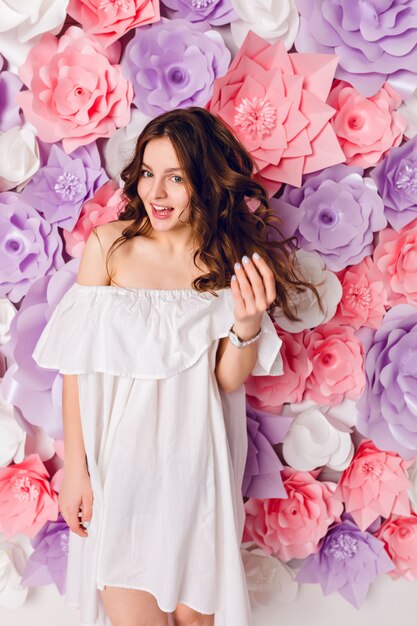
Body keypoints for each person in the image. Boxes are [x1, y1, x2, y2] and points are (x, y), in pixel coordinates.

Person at [32, 106, 319, 626]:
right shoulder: (110, 247)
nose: (156, 193)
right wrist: (77, 470)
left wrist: (248, 323)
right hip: (120, 465)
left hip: (198, 464)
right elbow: (78, 366)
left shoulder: (226, 258)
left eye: (175, 178)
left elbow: (226, 381)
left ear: (205, 182)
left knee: (194, 619)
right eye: (147, 173)